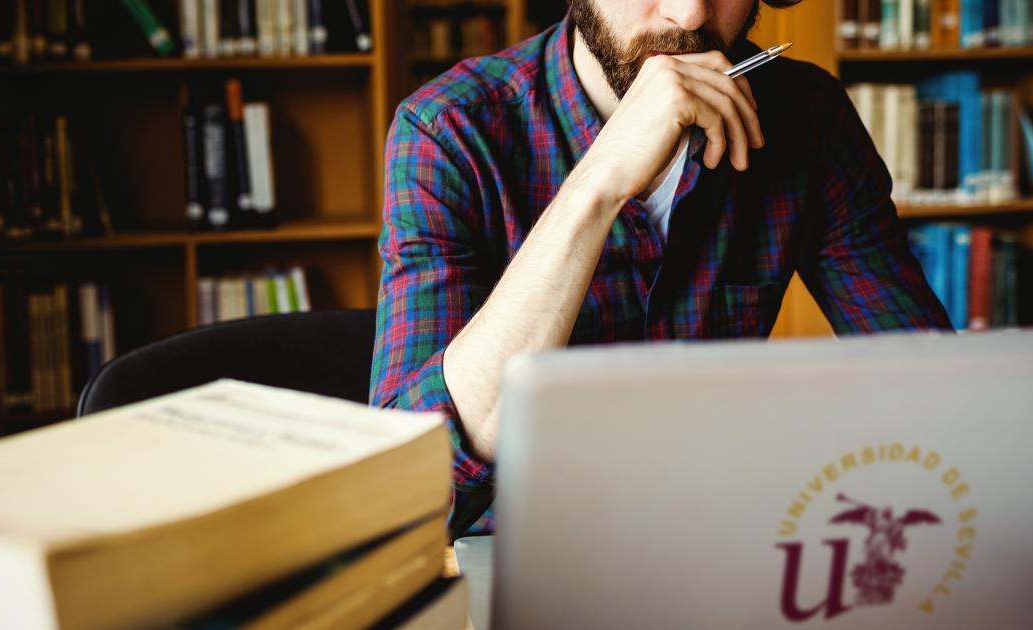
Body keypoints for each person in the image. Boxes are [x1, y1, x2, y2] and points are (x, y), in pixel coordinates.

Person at [369, 0, 952, 538]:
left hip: (720, 550)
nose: (689, 13)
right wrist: (597, 184)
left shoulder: (808, 117)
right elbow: (404, 492)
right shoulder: (448, 130)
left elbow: (939, 400)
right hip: (518, 556)